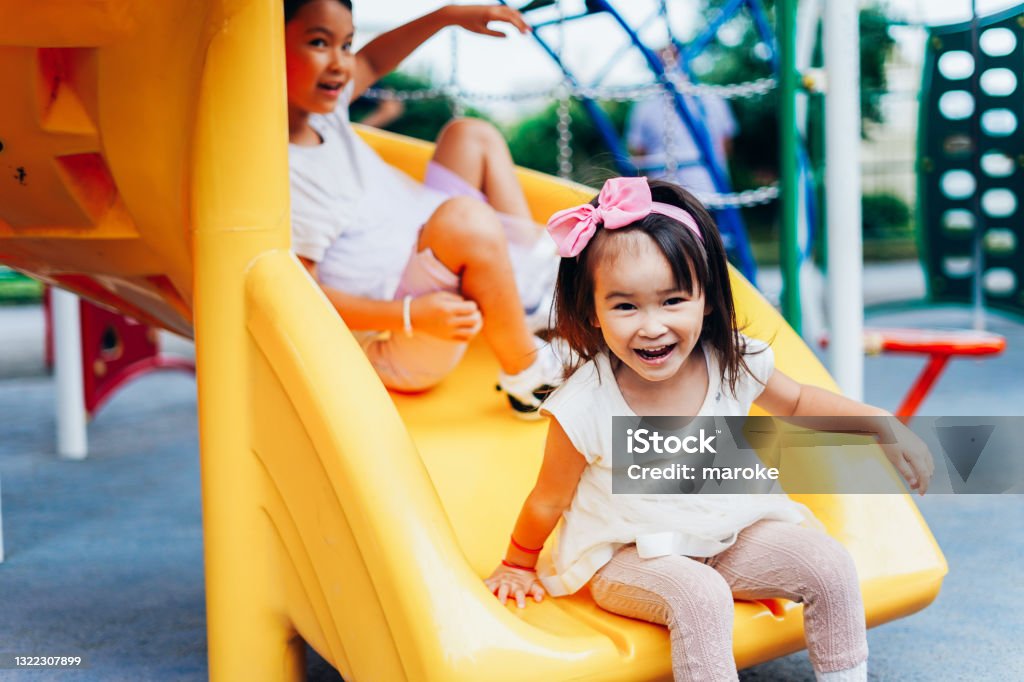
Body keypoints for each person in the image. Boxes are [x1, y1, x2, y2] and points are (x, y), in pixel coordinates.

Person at [484, 177, 935, 681]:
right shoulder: (586, 404)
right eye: (625, 306)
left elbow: (801, 400)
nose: (652, 325)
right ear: (592, 312)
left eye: (673, 300)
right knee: (700, 596)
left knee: (828, 564)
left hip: (729, 532)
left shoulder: (730, 361)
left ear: (708, 299)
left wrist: (879, 425)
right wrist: (518, 564)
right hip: (628, 555)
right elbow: (548, 498)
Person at [284, 0, 561, 416]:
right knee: (464, 220)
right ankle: (528, 376)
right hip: (400, 333)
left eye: (345, 44)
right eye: (319, 43)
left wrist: (446, 16)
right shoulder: (283, 171)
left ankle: (531, 279)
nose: (341, 63)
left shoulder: (325, 111)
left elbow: (374, 61)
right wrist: (411, 315)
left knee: (470, 135)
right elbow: (299, 297)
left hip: (421, 241)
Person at [626, 48, 737, 197]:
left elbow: (637, 153)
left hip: (700, 191)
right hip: (680, 193)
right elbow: (638, 153)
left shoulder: (710, 99)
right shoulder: (711, 98)